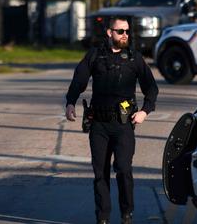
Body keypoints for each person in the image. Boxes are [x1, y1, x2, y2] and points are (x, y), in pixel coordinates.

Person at [65, 16, 159, 224]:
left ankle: (127, 214)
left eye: (127, 31)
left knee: (124, 169)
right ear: (109, 33)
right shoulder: (95, 55)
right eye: (120, 31)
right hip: (99, 124)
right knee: (100, 173)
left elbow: (151, 87)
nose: (125, 35)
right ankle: (103, 217)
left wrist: (145, 110)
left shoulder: (135, 58)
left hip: (123, 124)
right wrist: (70, 102)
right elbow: (79, 79)